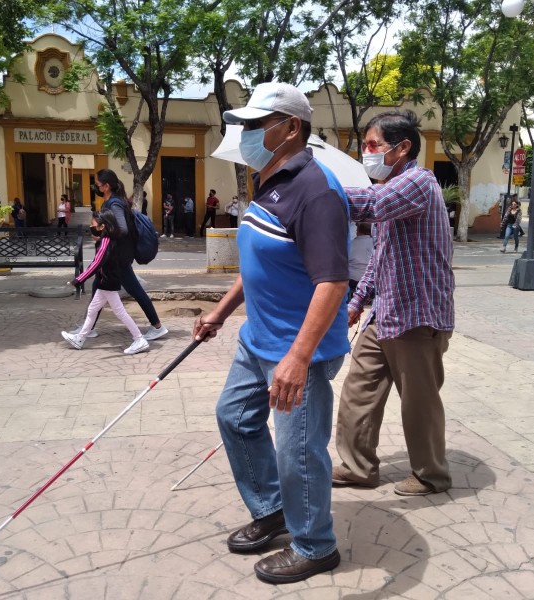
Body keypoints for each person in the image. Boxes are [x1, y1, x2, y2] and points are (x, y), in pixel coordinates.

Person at [193, 82, 350, 585]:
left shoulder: (317, 192)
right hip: (255, 340)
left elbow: (332, 282)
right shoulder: (269, 182)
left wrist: (298, 358)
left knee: (299, 450)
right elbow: (258, 262)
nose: (247, 133)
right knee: (235, 418)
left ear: (290, 128)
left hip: (295, 350)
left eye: (258, 124)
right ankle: (275, 507)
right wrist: (221, 311)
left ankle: (315, 544)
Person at [332, 109, 454, 498]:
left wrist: (313, 194)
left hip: (418, 316)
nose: (366, 152)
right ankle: (357, 467)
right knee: (358, 392)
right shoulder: (391, 192)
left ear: (402, 148)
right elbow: (379, 259)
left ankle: (431, 474)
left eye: (372, 145)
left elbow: (368, 205)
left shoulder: (417, 183)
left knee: (419, 403)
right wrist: (357, 302)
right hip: (383, 314)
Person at [67, 168, 168, 342]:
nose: (96, 187)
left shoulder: (114, 203)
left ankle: (156, 327)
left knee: (129, 290)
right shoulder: (114, 201)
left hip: (117, 256)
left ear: (106, 186)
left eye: (97, 184)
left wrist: (102, 234)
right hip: (117, 255)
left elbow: (122, 228)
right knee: (103, 287)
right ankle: (88, 328)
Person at [61, 210, 148, 354]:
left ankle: (139, 339)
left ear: (102, 227)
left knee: (119, 312)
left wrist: (78, 280)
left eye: (92, 224)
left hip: (108, 282)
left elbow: (96, 264)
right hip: (106, 281)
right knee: (92, 310)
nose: (90, 226)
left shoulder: (105, 242)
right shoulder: (108, 240)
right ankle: (80, 338)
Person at [348, 223, 373, 301]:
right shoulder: (376, 243)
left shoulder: (351, 244)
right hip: (370, 280)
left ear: (358, 230)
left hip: (353, 280)